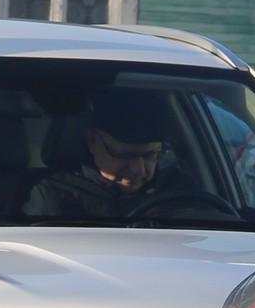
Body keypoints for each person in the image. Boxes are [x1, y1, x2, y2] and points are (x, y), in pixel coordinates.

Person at [22, 89, 190, 220]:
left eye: (150, 155)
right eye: (125, 155)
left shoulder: (179, 192)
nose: (138, 169)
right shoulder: (52, 196)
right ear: (93, 141)